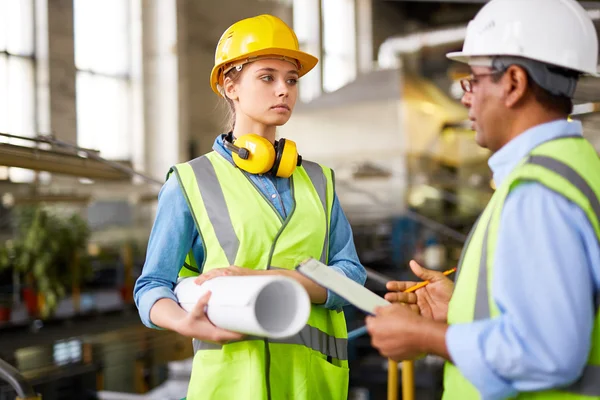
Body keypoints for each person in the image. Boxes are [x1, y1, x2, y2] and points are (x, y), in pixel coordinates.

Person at [365, 0, 600, 399]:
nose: (465, 97)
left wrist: (427, 335)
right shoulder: (572, 168)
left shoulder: (538, 189)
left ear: (513, 83)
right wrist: (461, 310)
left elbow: (548, 353)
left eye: (472, 81)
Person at [133, 14, 366, 400]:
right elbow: (151, 286)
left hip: (315, 387)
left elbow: (351, 277)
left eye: (291, 79)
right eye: (267, 77)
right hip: (233, 387)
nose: (284, 91)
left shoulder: (320, 181)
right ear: (230, 85)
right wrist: (186, 323)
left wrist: (282, 282)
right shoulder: (191, 182)